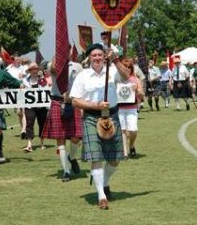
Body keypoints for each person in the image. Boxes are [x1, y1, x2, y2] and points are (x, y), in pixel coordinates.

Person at [70, 43, 130, 210]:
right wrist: (94, 105)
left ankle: (104, 182)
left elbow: (127, 76)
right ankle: (101, 196)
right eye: (94, 55)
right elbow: (75, 100)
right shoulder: (83, 76)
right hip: (91, 117)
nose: (97, 58)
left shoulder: (112, 72)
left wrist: (116, 60)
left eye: (100, 55)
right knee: (96, 158)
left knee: (115, 160)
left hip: (112, 117)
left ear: (104, 56)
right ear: (89, 58)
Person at [41, 54, 83, 182]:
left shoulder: (77, 66)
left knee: (76, 138)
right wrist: (57, 58)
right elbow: (51, 68)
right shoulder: (52, 65)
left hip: (73, 102)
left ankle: (72, 157)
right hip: (57, 101)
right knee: (60, 139)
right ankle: (66, 171)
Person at [117, 57, 144, 158]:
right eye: (124, 67)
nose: (127, 69)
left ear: (131, 69)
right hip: (119, 108)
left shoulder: (136, 80)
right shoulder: (116, 79)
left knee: (133, 130)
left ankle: (131, 145)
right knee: (122, 130)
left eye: (129, 67)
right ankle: (124, 152)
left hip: (132, 108)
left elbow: (142, 96)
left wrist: (137, 90)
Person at [22, 62, 48, 151]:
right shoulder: (25, 80)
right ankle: (29, 144)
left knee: (42, 123)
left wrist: (42, 78)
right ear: (29, 71)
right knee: (29, 123)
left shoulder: (42, 79)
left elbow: (46, 87)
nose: (34, 71)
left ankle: (42, 143)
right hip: (30, 105)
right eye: (32, 69)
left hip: (41, 105)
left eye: (36, 69)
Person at [6, 53, 27, 139]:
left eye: (19, 59)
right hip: (14, 92)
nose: (18, 60)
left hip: (24, 90)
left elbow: (29, 74)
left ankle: (24, 130)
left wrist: (24, 75)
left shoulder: (24, 68)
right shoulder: (9, 69)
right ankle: (22, 129)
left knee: (24, 110)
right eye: (16, 59)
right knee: (19, 112)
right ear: (13, 60)